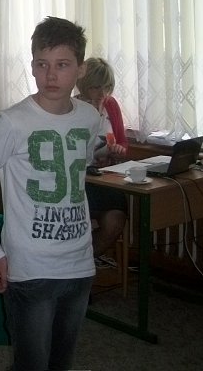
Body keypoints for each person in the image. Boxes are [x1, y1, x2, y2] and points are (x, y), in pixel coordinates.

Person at [0, 16, 100, 371]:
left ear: (81, 69)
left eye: (62, 65)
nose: (50, 75)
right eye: (41, 64)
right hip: (30, 266)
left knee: (62, 360)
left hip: (78, 262)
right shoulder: (12, 122)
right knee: (32, 362)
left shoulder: (89, 117)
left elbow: (79, 174)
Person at [75, 57, 128, 263]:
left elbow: (122, 143)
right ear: (84, 85)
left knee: (116, 218)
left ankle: (82, 261)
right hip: (81, 181)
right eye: (96, 87)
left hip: (105, 179)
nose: (102, 93)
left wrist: (118, 151)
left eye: (107, 87)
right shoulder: (73, 107)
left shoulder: (111, 105)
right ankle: (77, 263)